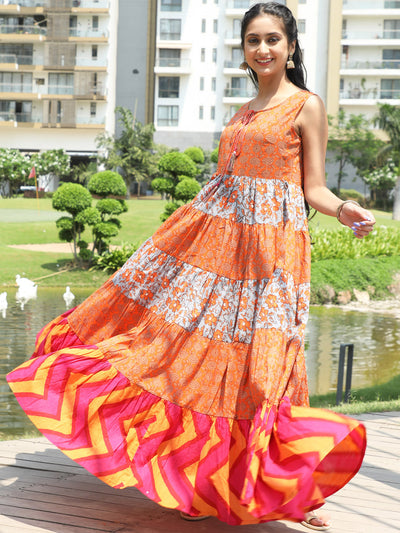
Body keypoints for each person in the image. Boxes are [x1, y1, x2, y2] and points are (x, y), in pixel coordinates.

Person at [7, 2, 374, 530]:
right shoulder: (243, 110)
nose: (263, 49)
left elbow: (311, 186)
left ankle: (284, 489)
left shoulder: (306, 105)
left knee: (266, 363)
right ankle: (196, 480)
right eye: (253, 40)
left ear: (291, 46)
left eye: (273, 39)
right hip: (221, 251)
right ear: (244, 49)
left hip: (273, 258)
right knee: (192, 357)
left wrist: (343, 208)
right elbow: (226, 187)